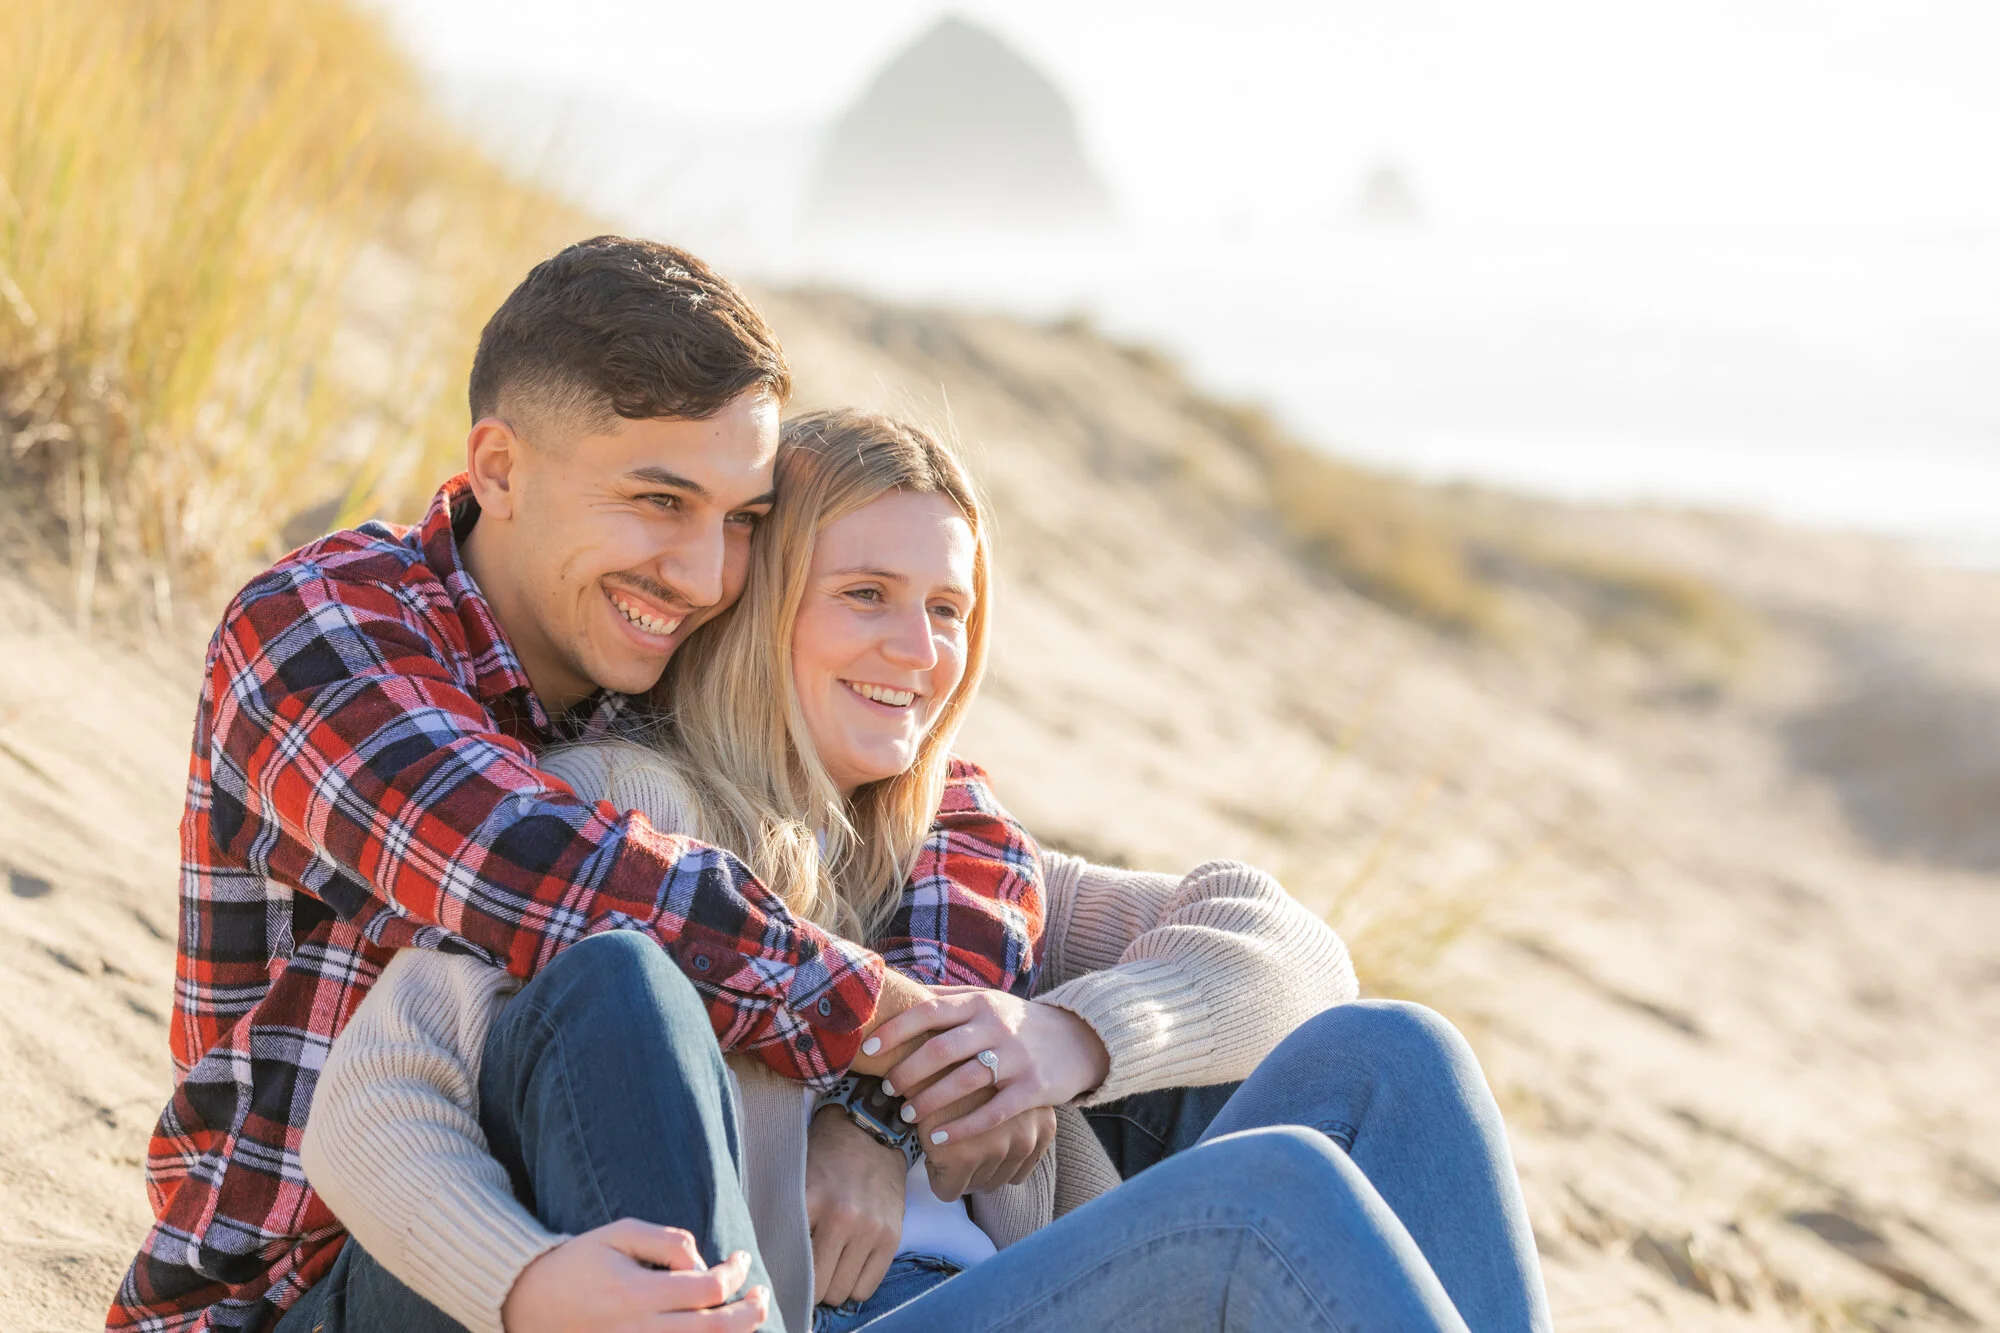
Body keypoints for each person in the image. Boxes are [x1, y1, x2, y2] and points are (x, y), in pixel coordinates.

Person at [299, 411, 1553, 1332]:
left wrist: (1065, 1036)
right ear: (759, 610)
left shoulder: (955, 859)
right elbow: (378, 1099)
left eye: (947, 609)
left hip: (1032, 1296)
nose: (916, 648)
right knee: (1267, 1195)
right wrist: (519, 1283)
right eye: (864, 595)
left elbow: (1291, 953)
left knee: (1398, 1055)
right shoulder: (632, 814)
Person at [108, 239, 1040, 1333]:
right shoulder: (325, 629)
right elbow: (535, 867)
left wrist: (883, 1115)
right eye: (657, 499)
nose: (702, 575)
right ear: (498, 471)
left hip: (600, 1238)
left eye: (740, 520)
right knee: (618, 985)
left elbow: (944, 806)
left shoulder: (642, 641)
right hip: (302, 1291)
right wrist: (874, 1015)